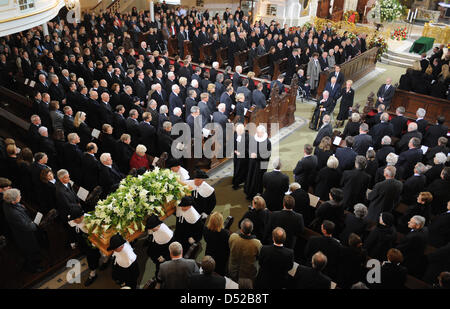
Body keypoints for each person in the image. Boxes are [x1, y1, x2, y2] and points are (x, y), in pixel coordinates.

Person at [3, 188, 43, 273]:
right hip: (24, 235)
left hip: (23, 230)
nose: (20, 197)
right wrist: (35, 224)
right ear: (13, 201)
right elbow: (27, 226)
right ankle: (34, 268)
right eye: (19, 196)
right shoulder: (14, 213)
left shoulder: (8, 203)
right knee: (30, 251)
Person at [67, 206, 102, 287]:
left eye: (76, 219)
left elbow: (98, 231)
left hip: (91, 241)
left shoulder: (90, 220)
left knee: (92, 257)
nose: (74, 221)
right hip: (82, 241)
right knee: (88, 254)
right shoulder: (74, 220)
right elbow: (71, 230)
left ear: (82, 216)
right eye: (73, 220)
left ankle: (93, 274)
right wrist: (72, 241)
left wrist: (95, 242)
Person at [228, 218, 262, 283]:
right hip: (248, 274)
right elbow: (259, 256)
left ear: (241, 229)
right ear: (252, 230)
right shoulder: (257, 243)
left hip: (233, 271)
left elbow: (230, 247)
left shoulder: (233, 237)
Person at [244, 125, 271, 200]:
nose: (258, 134)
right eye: (257, 132)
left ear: (263, 132)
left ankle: (256, 194)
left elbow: (267, 155)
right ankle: (249, 192)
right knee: (250, 177)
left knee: (257, 180)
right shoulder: (254, 139)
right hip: (253, 163)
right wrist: (251, 153)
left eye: (260, 133)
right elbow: (249, 148)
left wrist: (257, 156)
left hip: (261, 164)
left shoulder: (267, 142)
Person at [145, 215, 173, 279]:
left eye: (152, 228)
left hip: (163, 254)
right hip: (156, 248)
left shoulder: (167, 235)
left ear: (158, 226)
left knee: (160, 269)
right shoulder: (155, 229)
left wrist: (165, 257)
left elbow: (172, 249)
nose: (151, 229)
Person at [203, 212, 230, 276]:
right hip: (221, 256)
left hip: (209, 253)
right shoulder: (225, 233)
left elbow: (206, 240)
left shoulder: (206, 230)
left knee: (207, 270)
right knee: (219, 273)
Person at [232, 123, 249, 190]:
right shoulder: (235, 135)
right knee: (237, 169)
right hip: (237, 157)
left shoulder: (247, 137)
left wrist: (240, 153)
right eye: (237, 131)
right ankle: (235, 184)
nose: (238, 132)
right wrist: (235, 151)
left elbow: (247, 148)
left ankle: (241, 180)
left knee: (242, 170)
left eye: (239, 131)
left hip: (244, 157)